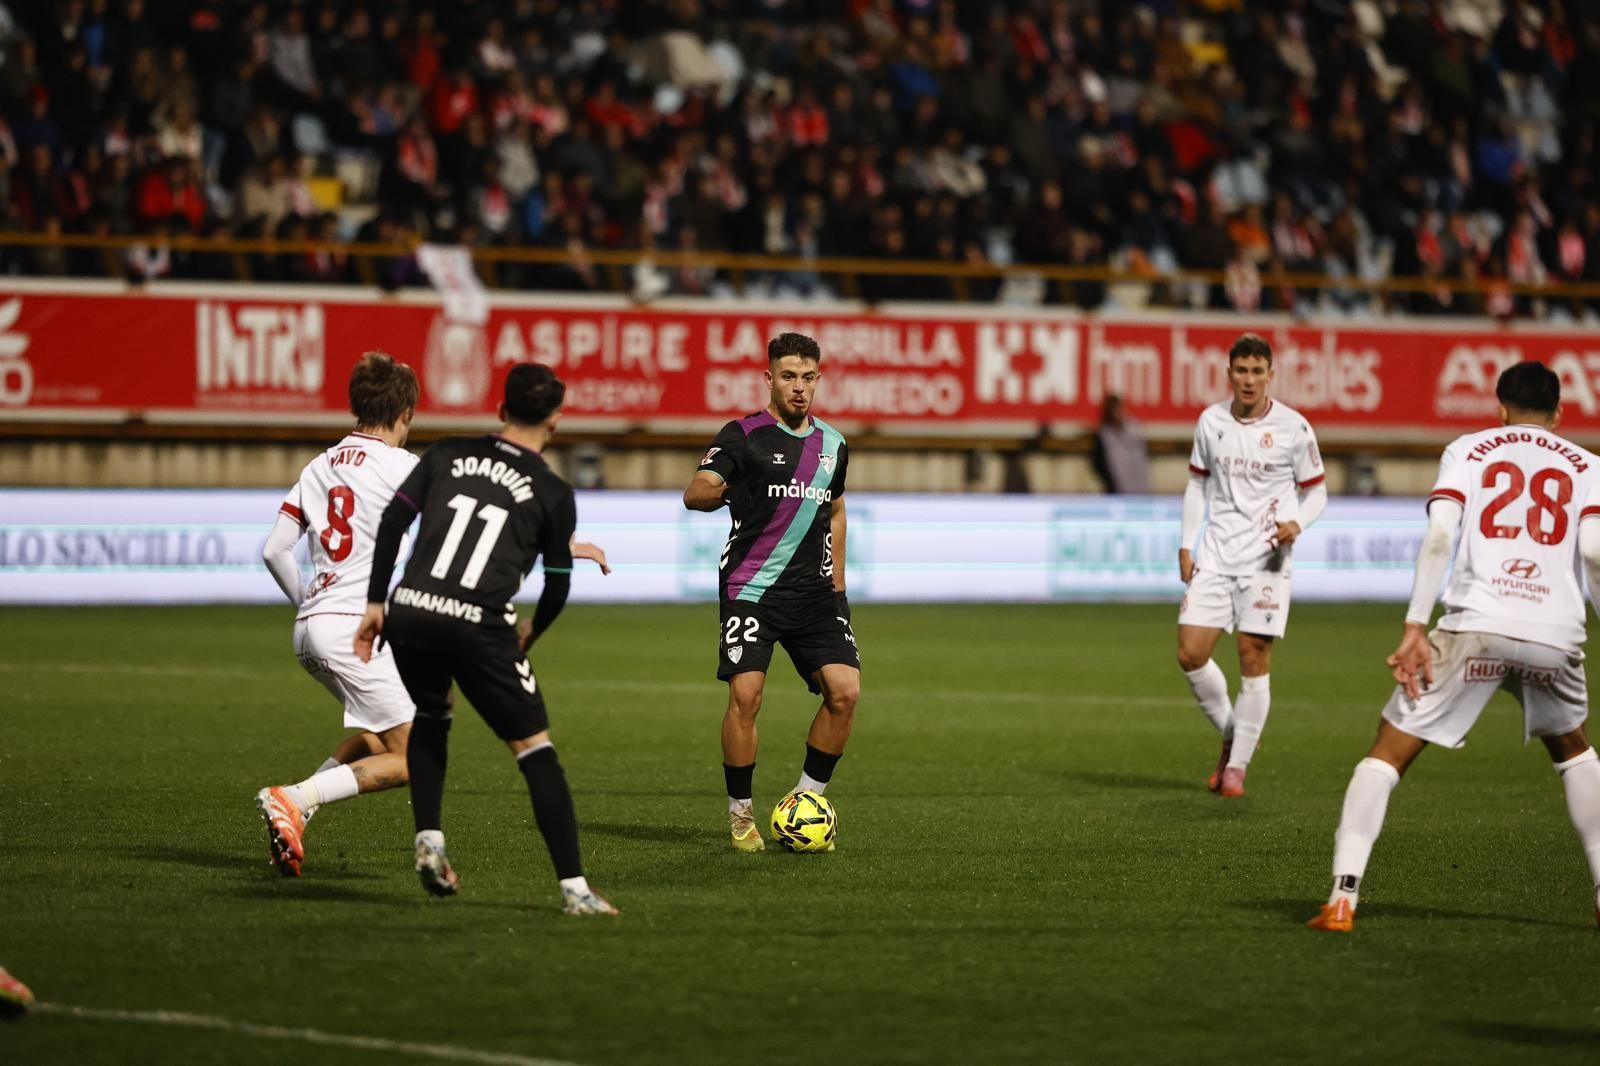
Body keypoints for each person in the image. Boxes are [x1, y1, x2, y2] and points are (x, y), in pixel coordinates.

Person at [1309, 362, 1600, 933]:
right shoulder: (1589, 466)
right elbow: (1592, 554)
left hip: (1477, 627)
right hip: (1553, 636)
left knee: (1386, 754)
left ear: (1500, 407)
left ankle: (1342, 898)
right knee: (1575, 753)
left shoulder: (1468, 449)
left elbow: (1441, 535)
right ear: (1560, 415)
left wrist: (1416, 624)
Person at [354, 363, 616, 915]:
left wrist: (377, 601)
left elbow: (393, 523)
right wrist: (531, 633)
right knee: (535, 750)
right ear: (556, 421)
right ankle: (575, 891)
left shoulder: (447, 452)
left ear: (500, 411)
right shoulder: (552, 491)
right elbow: (557, 586)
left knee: (431, 716)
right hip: (478, 622)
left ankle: (429, 838)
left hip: (411, 611)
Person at [683, 332, 859, 851]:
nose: (798, 388)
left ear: (818, 379)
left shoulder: (834, 446)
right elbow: (696, 493)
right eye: (788, 377)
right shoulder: (743, 436)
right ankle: (741, 814)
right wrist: (734, 488)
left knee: (845, 693)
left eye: (807, 378)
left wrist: (839, 586)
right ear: (769, 378)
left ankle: (805, 802)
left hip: (812, 593)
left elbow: (838, 508)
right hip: (751, 586)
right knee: (746, 695)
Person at [256, 352, 422, 877]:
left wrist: (308, 603)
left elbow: (273, 550)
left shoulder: (318, 465)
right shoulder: (402, 466)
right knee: (413, 757)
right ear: (406, 414)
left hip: (310, 627)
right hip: (354, 627)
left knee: (379, 735)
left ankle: (297, 808)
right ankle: (294, 797)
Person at [1177, 334, 1328, 797]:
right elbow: (1198, 486)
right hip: (1218, 555)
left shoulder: (1294, 428)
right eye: (1240, 371)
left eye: (1256, 371)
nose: (1248, 380)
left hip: (1266, 561)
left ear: (1270, 375)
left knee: (1252, 657)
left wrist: (1297, 523)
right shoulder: (1211, 422)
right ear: (1230, 373)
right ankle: (1234, 731)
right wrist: (1187, 543)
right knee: (1190, 653)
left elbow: (1317, 491)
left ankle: (1236, 769)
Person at [1090, 394, 1151, 494]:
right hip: (1117, 492)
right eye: (1115, 410)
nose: (1118, 413)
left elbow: (1142, 460)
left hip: (1140, 488)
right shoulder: (1104, 436)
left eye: (1120, 409)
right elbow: (1099, 465)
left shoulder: (1135, 430)